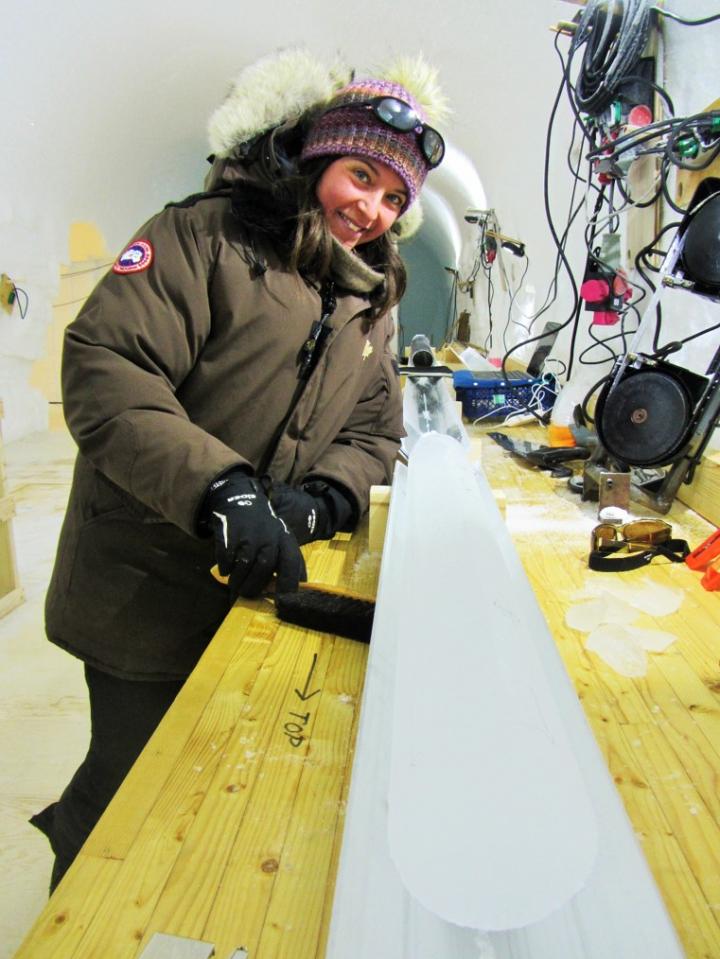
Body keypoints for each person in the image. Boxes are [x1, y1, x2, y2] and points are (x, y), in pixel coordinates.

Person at [29, 49, 448, 892]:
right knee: (126, 780)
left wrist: (320, 497)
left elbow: (376, 426)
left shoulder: (372, 298)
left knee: (198, 775)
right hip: (143, 582)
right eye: (360, 175)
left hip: (251, 584)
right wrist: (219, 486)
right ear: (315, 157)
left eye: (394, 198)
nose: (370, 208)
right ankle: (76, 903)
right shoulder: (205, 233)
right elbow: (108, 365)